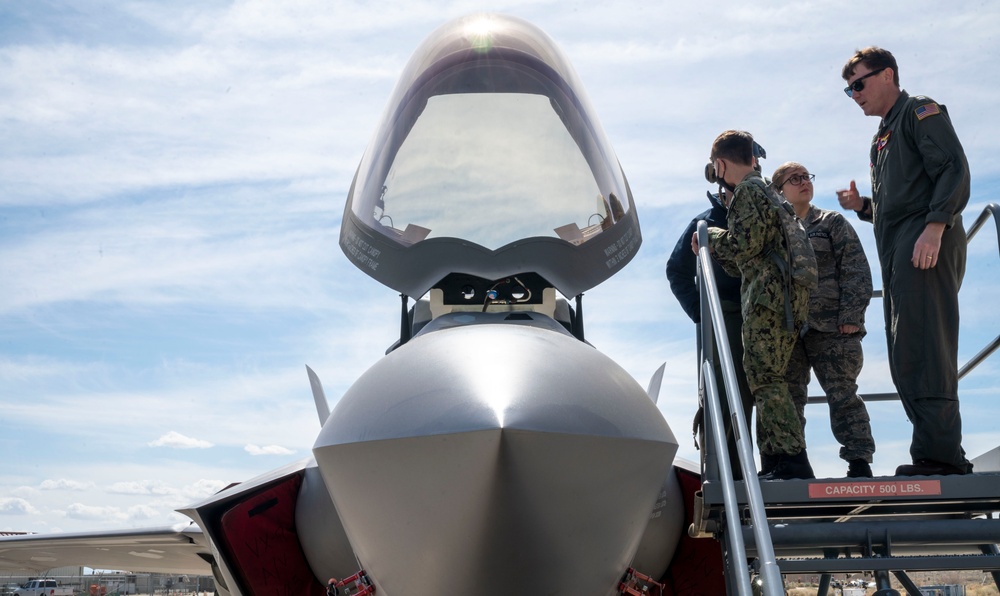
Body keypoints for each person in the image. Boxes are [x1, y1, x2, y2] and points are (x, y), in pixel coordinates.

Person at [838, 47, 972, 476]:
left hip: (926, 248)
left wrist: (935, 227)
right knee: (907, 350)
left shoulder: (919, 112)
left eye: (859, 83)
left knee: (927, 347)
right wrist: (863, 206)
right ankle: (934, 452)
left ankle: (943, 458)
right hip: (903, 253)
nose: (854, 93)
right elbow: (901, 204)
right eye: (849, 89)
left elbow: (953, 170)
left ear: (888, 75)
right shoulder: (882, 138)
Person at [693, 130, 814, 480]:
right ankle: (776, 460)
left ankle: (792, 460)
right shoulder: (765, 190)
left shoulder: (748, 191)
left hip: (768, 300)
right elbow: (751, 254)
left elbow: (743, 245)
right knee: (765, 377)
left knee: (765, 378)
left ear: (720, 164)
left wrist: (710, 237)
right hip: (776, 297)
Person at [772, 161, 877, 478]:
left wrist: (851, 316)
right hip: (790, 329)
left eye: (806, 177)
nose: (804, 182)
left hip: (832, 326)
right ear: (780, 191)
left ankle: (859, 462)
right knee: (789, 400)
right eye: (795, 179)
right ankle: (794, 464)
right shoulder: (775, 230)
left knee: (843, 396)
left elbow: (856, 269)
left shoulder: (831, 223)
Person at [667, 188, 755, 477]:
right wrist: (700, 313)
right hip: (725, 315)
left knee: (772, 392)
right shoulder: (704, 223)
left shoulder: (762, 211)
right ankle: (729, 474)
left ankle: (779, 467)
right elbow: (676, 269)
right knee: (727, 395)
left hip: (766, 313)